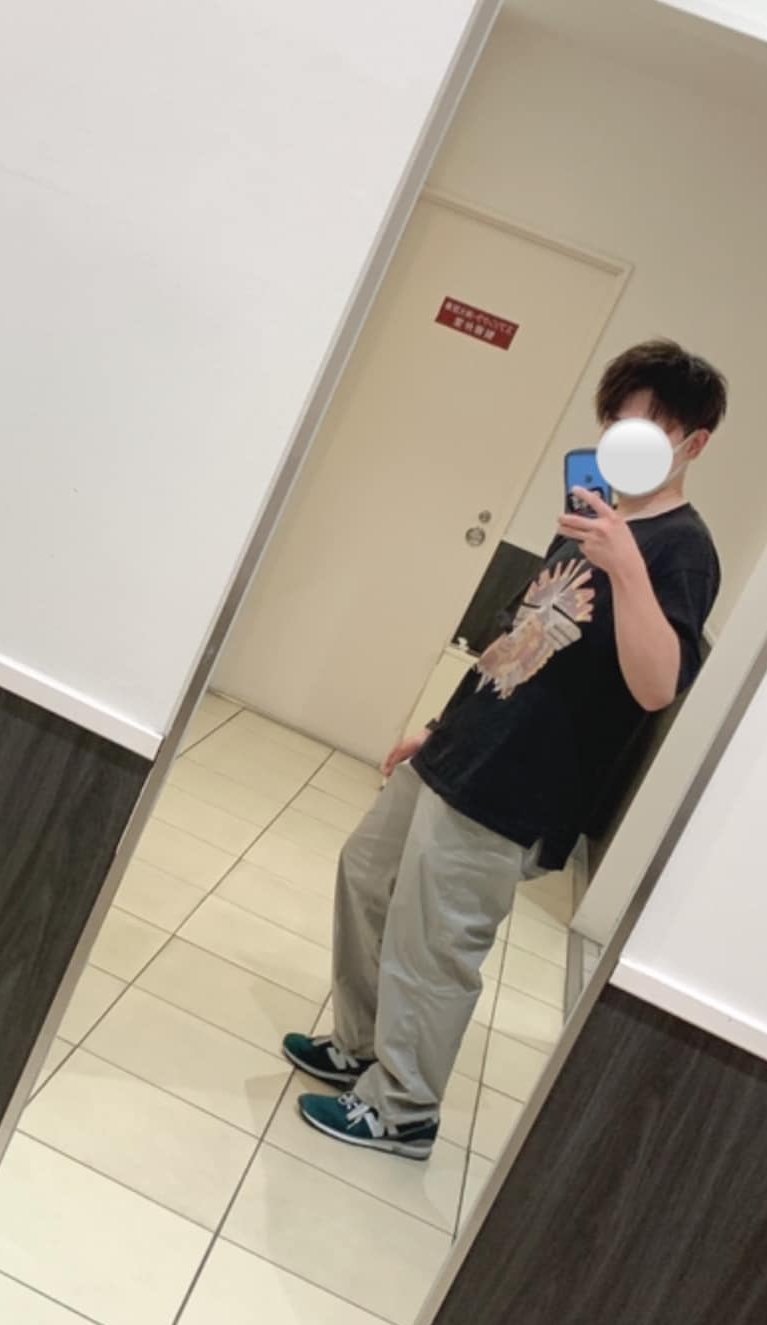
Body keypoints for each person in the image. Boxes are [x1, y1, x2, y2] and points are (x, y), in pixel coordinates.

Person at [283, 339, 728, 1159]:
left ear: (693, 444)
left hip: (519, 784)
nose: (624, 439)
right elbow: (518, 638)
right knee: (367, 875)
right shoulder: (595, 519)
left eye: (648, 430)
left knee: (434, 942)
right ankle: (361, 1046)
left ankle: (404, 1109)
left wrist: (628, 569)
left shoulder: (682, 549)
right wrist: (439, 727)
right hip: (464, 748)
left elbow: (658, 684)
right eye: (618, 422)